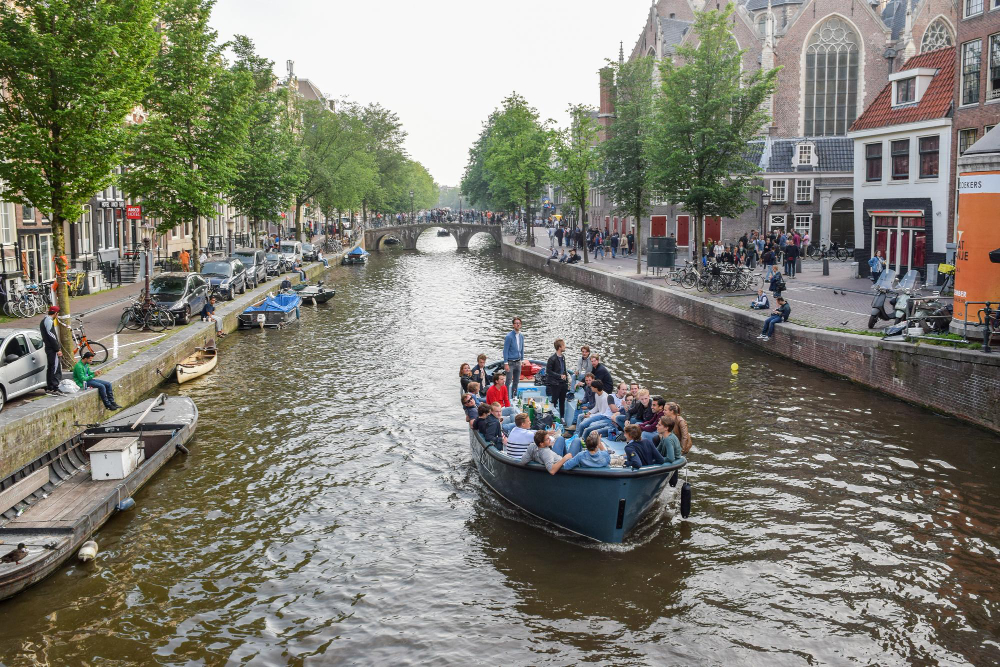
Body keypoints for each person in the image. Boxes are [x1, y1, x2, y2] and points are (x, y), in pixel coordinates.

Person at [544, 338, 569, 419]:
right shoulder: (552, 359)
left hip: (563, 383)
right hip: (555, 383)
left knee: (562, 401)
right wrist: (559, 376)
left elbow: (564, 369)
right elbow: (548, 371)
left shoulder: (563, 357)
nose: (565, 347)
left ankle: (562, 417)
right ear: (559, 347)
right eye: (564, 345)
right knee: (554, 400)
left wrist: (566, 380)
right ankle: (553, 417)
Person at [40, 305, 62, 393]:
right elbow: (51, 335)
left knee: (50, 367)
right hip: (52, 349)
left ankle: (49, 386)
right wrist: (57, 349)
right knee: (55, 367)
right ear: (55, 313)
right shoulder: (49, 321)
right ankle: (54, 386)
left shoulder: (43, 320)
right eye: (57, 314)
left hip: (48, 348)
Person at [502, 317, 525, 399]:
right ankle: (506, 397)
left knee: (516, 381)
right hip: (510, 362)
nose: (518, 324)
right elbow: (505, 350)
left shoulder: (521, 336)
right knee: (508, 381)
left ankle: (514, 397)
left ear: (521, 325)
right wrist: (506, 363)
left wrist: (522, 360)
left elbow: (522, 348)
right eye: (516, 323)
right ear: (513, 325)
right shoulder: (509, 336)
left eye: (519, 323)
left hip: (518, 362)